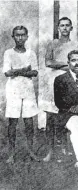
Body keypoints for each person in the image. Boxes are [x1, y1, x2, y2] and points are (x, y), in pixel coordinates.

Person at [42, 17, 78, 162]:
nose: (64, 28)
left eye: (67, 26)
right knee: (50, 118)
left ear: (71, 28)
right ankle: (50, 152)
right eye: (62, 26)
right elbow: (48, 62)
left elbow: (77, 64)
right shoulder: (52, 44)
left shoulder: (75, 44)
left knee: (67, 115)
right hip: (53, 81)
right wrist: (66, 65)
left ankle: (66, 150)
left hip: (68, 82)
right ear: (58, 28)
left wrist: (64, 66)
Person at [3, 26, 40, 164]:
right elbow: (7, 72)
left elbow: (35, 72)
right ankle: (11, 153)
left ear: (27, 37)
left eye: (23, 35)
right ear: (13, 37)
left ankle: (31, 152)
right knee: (12, 122)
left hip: (28, 90)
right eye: (17, 35)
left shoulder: (31, 53)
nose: (20, 38)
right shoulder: (8, 53)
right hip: (13, 90)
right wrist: (25, 70)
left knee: (29, 123)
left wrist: (17, 71)